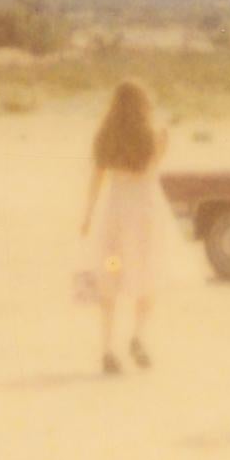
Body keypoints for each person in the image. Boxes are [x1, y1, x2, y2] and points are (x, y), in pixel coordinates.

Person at [79, 79, 170, 375]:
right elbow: (153, 168)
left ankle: (106, 348)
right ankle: (138, 336)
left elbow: (96, 179)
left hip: (113, 215)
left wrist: (88, 214)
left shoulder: (105, 136)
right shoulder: (157, 134)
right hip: (144, 213)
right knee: (146, 273)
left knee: (111, 275)